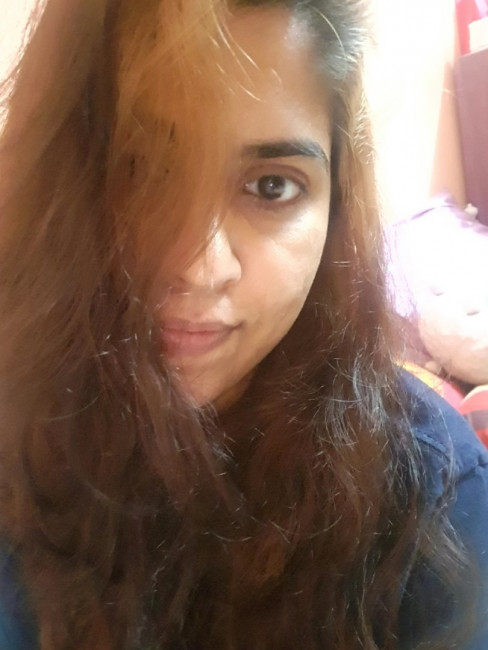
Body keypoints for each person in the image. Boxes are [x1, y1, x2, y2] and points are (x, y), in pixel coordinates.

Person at [0, 0, 487, 648]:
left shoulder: (430, 486)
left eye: (271, 187)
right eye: (140, 169)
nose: (200, 269)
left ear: (335, 210)